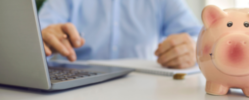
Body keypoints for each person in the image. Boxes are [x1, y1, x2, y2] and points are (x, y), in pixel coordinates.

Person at [39, 0, 202, 69]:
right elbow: (35, 37)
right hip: (74, 88)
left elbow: (199, 37)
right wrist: (43, 38)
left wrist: (193, 49)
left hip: (144, 89)